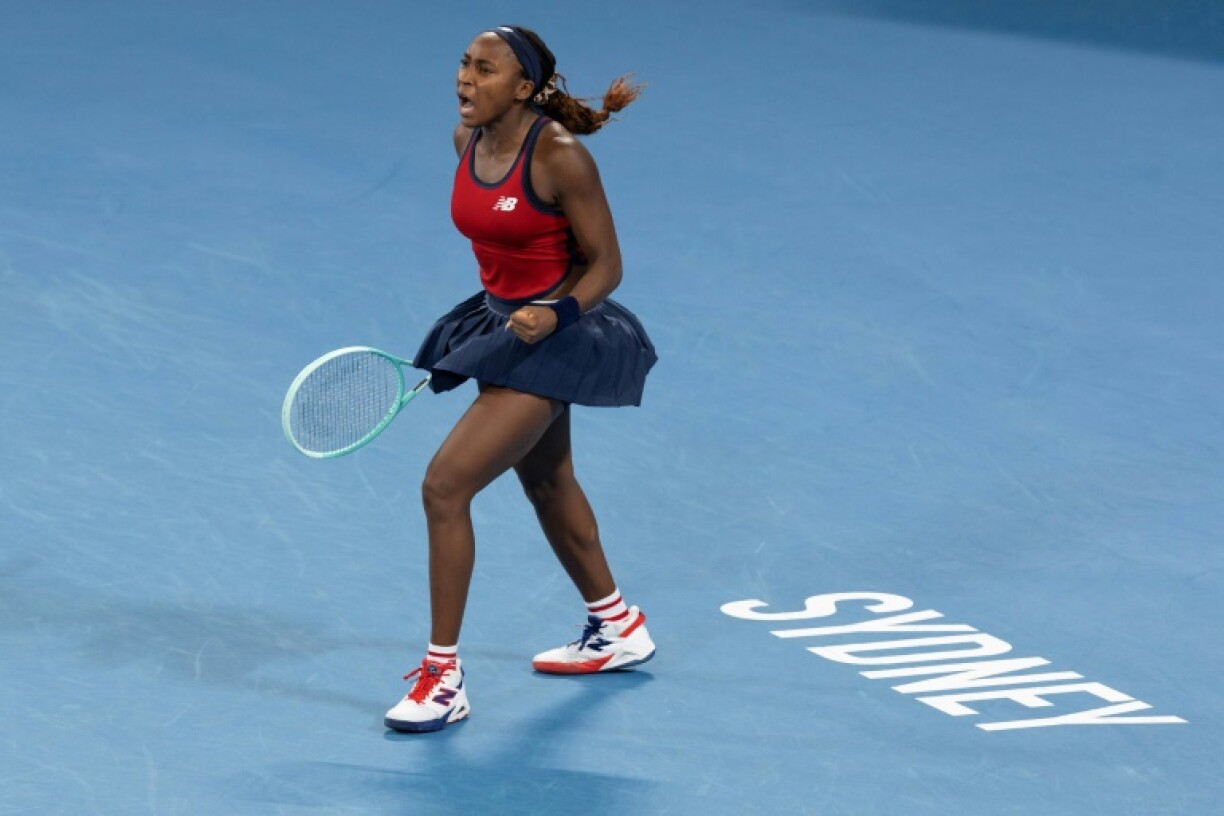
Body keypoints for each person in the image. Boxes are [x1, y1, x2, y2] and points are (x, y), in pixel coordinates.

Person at [384, 25, 657, 733]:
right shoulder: (464, 142)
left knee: (445, 487)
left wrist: (556, 310)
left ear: (526, 88)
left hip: (559, 337)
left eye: (485, 69)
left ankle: (443, 679)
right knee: (547, 481)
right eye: (463, 65)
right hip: (501, 328)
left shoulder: (561, 157)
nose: (465, 80)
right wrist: (511, 315)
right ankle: (617, 624)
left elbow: (607, 265)